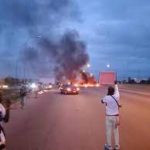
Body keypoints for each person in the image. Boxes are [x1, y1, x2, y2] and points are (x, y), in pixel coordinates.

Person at [101, 81, 121, 150]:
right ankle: (117, 146)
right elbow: (117, 90)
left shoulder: (106, 97)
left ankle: (109, 147)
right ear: (113, 91)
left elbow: (102, 101)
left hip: (108, 117)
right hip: (116, 117)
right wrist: (115, 84)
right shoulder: (117, 96)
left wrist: (106, 97)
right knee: (116, 132)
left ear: (108, 91)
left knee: (108, 131)